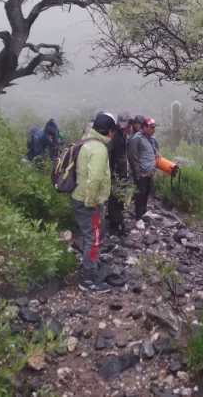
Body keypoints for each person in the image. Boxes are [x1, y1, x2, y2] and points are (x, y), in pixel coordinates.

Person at [71, 112, 116, 293]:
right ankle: (89, 279)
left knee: (90, 235)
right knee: (94, 237)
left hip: (78, 196)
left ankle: (90, 263)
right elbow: (95, 178)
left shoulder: (86, 141)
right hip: (87, 200)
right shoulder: (99, 149)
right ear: (109, 132)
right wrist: (92, 202)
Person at [128, 117, 159, 223]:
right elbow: (133, 156)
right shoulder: (137, 138)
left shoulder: (150, 137)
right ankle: (138, 218)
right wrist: (137, 172)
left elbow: (151, 148)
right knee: (140, 194)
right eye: (151, 127)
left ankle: (145, 211)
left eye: (154, 127)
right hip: (141, 172)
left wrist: (155, 153)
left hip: (149, 171)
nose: (153, 129)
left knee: (146, 192)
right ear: (144, 127)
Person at [107, 112, 132, 236]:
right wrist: (112, 172)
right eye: (125, 127)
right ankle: (114, 225)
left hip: (122, 172)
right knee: (114, 199)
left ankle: (117, 222)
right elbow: (109, 155)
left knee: (119, 198)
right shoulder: (115, 136)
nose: (127, 129)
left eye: (128, 127)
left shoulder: (124, 136)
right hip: (115, 173)